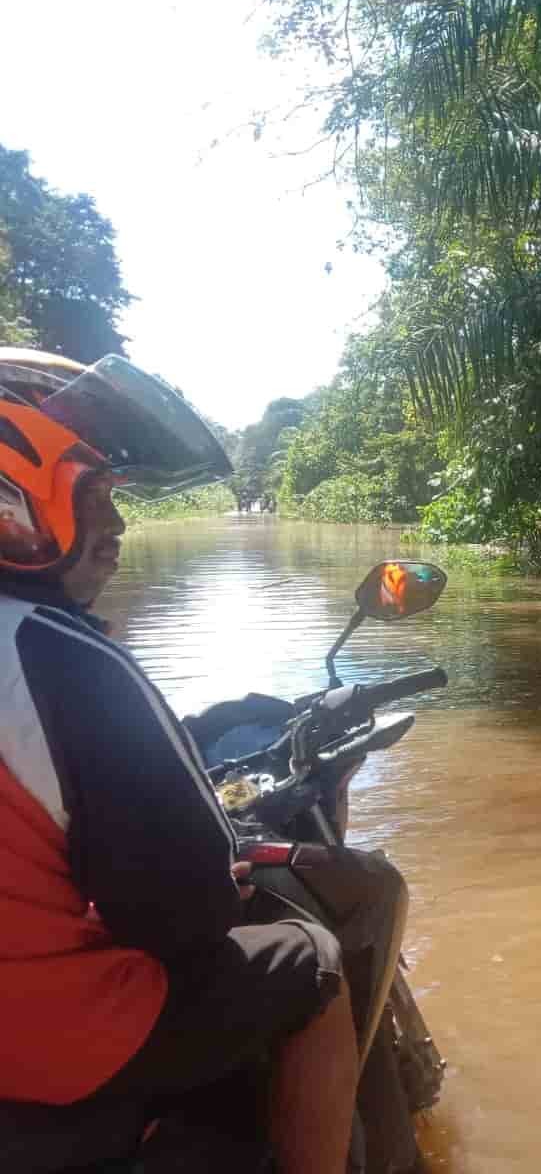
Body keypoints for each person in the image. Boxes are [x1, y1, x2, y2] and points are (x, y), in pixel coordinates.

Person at [0, 352, 359, 1174]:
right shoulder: (57, 653)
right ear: (18, 496)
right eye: (96, 497)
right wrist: (216, 878)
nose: (118, 527)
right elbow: (184, 917)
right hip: (42, 1045)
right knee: (315, 965)